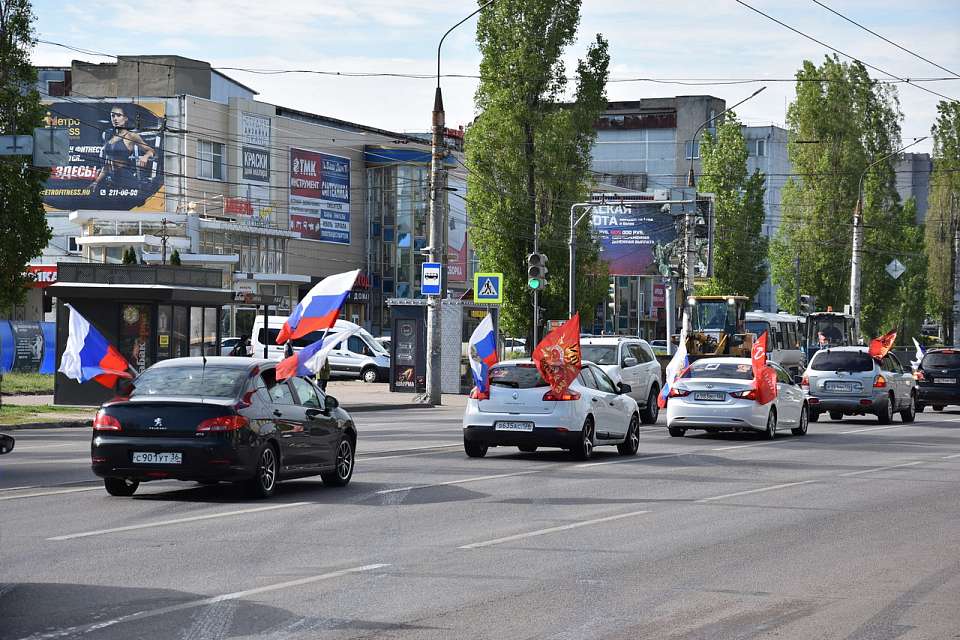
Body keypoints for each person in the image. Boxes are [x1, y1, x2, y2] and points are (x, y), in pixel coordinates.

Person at [89, 104, 156, 195]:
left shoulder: (131, 136)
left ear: (126, 118)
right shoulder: (108, 136)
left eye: (119, 115)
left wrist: (146, 156)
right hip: (112, 179)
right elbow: (107, 165)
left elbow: (151, 150)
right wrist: (96, 181)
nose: (115, 119)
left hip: (125, 178)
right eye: (113, 116)